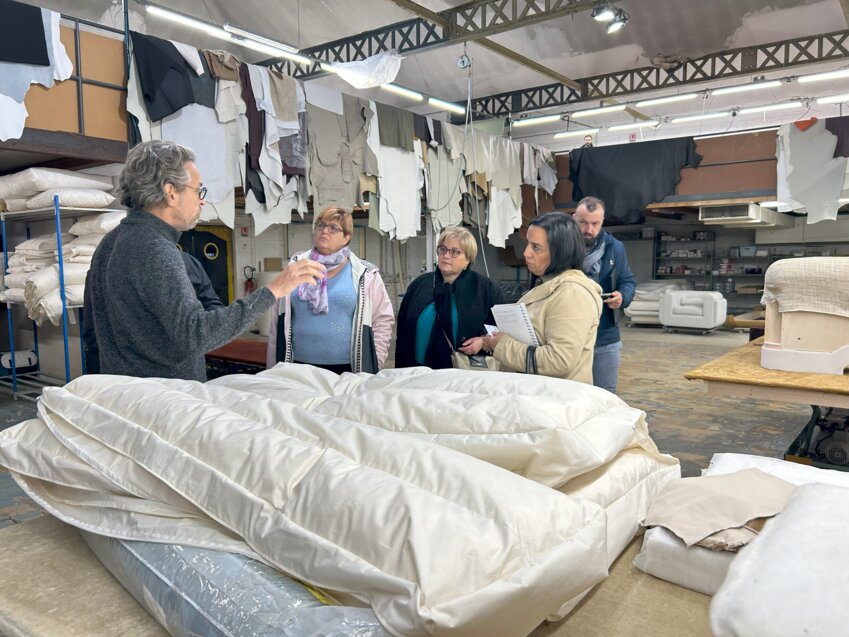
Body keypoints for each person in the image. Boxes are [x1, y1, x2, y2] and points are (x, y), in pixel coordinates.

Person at [87, 140, 325, 381]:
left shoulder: (110, 243)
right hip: (167, 394)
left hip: (126, 390)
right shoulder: (156, 249)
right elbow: (197, 335)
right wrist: (274, 290)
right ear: (171, 193)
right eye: (197, 190)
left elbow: (95, 331)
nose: (202, 200)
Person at [467, 212, 601, 383]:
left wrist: (502, 345)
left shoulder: (572, 294)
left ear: (561, 252)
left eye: (536, 247)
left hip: (555, 395)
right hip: (538, 391)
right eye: (527, 244)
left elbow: (560, 360)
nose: (526, 253)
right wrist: (492, 341)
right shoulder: (547, 286)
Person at [266, 206, 394, 374]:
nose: (325, 231)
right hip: (295, 366)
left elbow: (382, 320)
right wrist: (272, 368)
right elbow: (276, 322)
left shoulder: (365, 274)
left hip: (347, 369)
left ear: (346, 237)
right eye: (320, 225)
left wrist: (374, 361)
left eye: (333, 228)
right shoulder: (295, 267)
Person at [82, 252, 222, 374]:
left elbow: (93, 332)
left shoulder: (103, 270)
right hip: (178, 372)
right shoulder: (188, 262)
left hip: (132, 374)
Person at [395, 226, 504, 370]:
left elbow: (501, 329)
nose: (446, 255)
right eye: (443, 249)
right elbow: (402, 333)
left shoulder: (485, 289)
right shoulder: (420, 285)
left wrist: (483, 341)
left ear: (467, 259)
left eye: (455, 252)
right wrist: (400, 371)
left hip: (461, 372)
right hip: (416, 370)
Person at [573, 195, 636, 393]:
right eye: (583, 222)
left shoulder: (615, 247)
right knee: (571, 395)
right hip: (569, 335)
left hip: (605, 335)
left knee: (606, 395)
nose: (588, 230)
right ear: (574, 218)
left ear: (602, 221)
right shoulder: (561, 246)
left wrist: (622, 296)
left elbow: (628, 281)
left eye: (595, 224)